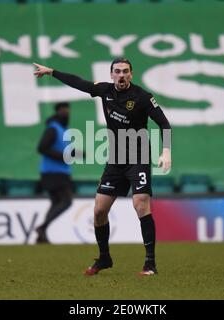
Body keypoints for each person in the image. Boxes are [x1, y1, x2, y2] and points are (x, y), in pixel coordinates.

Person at [33, 58, 171, 276]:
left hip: (138, 158)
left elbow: (164, 123)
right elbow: (79, 83)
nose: (122, 75)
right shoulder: (105, 91)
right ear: (112, 74)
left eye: (126, 71)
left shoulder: (143, 97)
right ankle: (104, 258)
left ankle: (150, 264)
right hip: (116, 161)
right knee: (99, 211)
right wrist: (52, 72)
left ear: (131, 75)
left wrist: (166, 152)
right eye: (117, 72)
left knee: (141, 204)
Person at [35, 102, 74, 244]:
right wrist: (63, 156)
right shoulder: (53, 128)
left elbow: (64, 151)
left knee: (56, 202)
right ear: (57, 112)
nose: (66, 112)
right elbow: (42, 148)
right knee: (66, 201)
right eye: (63, 110)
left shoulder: (63, 129)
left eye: (67, 110)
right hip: (53, 172)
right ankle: (42, 227)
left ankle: (42, 234)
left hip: (60, 172)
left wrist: (76, 153)